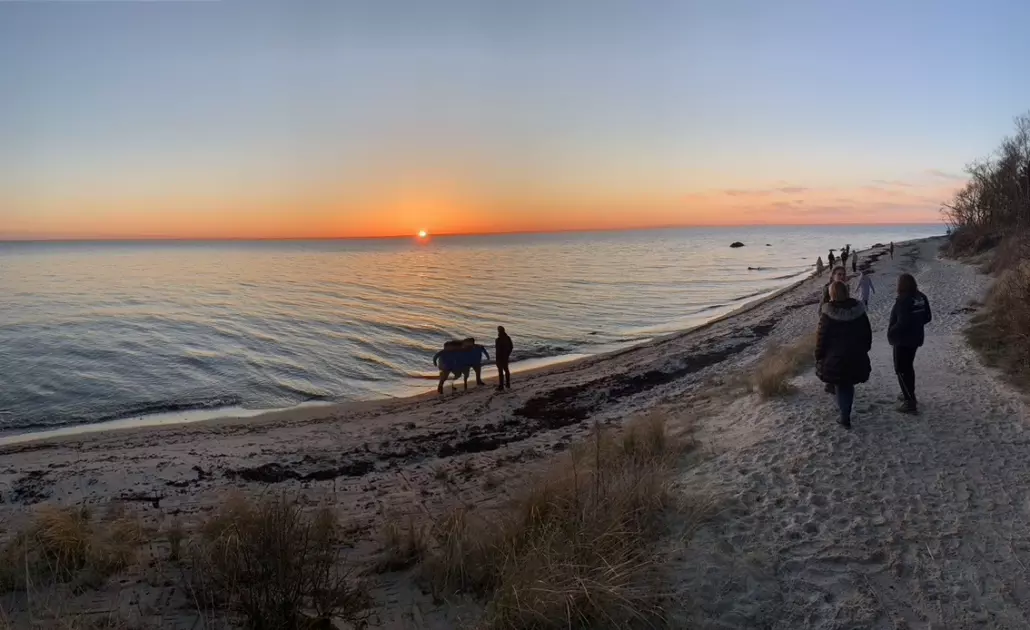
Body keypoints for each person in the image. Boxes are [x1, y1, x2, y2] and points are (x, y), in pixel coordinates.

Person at [815, 281, 872, 429]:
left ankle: (844, 416)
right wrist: (864, 349)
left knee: (841, 385)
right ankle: (845, 413)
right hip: (855, 355)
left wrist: (819, 355)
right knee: (847, 384)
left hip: (835, 358)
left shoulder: (827, 314)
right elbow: (867, 332)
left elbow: (821, 338)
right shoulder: (858, 310)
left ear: (832, 294)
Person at [888, 273, 932, 414]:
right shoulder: (921, 297)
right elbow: (927, 317)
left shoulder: (903, 300)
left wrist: (891, 331)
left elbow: (902, 322)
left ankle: (909, 401)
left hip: (903, 339)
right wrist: (917, 324)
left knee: (900, 369)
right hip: (916, 337)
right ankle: (908, 393)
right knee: (908, 367)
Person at [495, 326, 513, 391]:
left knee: (500, 372)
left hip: (500, 357)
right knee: (506, 370)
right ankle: (508, 384)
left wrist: (497, 359)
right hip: (505, 356)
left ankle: (501, 386)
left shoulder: (498, 339)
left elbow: (497, 351)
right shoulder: (508, 338)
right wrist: (508, 354)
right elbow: (511, 347)